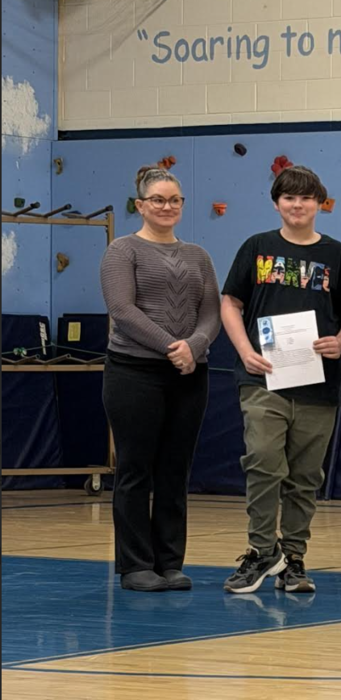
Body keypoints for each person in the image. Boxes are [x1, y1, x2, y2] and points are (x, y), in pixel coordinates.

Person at [221, 166, 341, 594]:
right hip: (263, 379)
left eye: (306, 198)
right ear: (276, 202)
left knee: (304, 477)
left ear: (320, 203)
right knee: (262, 461)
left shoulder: (336, 255)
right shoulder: (256, 247)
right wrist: (245, 351)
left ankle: (293, 558)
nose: (297, 205)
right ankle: (262, 550)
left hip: (318, 383)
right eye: (288, 198)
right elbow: (230, 302)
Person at [100, 165, 220, 592]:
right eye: (158, 200)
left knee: (175, 469)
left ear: (182, 206)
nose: (166, 207)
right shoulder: (122, 250)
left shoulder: (198, 256)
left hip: (190, 373)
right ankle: (135, 565)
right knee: (135, 468)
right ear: (140, 205)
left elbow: (211, 312)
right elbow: (123, 310)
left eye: (174, 200)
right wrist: (173, 346)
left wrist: (195, 346)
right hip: (135, 372)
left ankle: (170, 562)